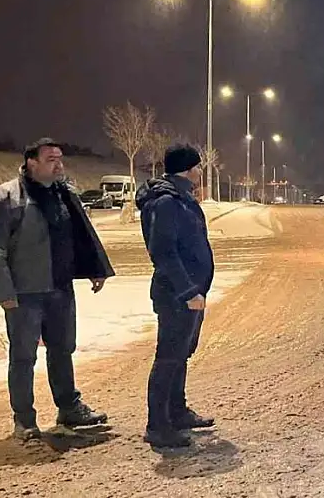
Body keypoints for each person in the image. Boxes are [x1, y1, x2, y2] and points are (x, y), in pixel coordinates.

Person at [0, 138, 114, 441]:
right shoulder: (6, 197)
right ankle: (24, 420)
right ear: (32, 162)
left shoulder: (64, 193)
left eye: (60, 158)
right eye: (51, 159)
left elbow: (82, 234)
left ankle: (68, 407)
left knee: (63, 349)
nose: (59, 164)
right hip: (25, 293)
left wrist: (95, 268)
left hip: (60, 288)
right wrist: (4, 293)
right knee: (24, 356)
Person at [136, 143, 216, 448]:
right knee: (168, 357)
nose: (200, 172)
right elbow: (164, 252)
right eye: (198, 167)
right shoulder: (167, 201)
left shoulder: (179, 197)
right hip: (177, 294)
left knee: (181, 353)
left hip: (189, 292)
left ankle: (177, 412)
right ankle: (158, 425)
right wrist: (187, 291)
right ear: (188, 169)